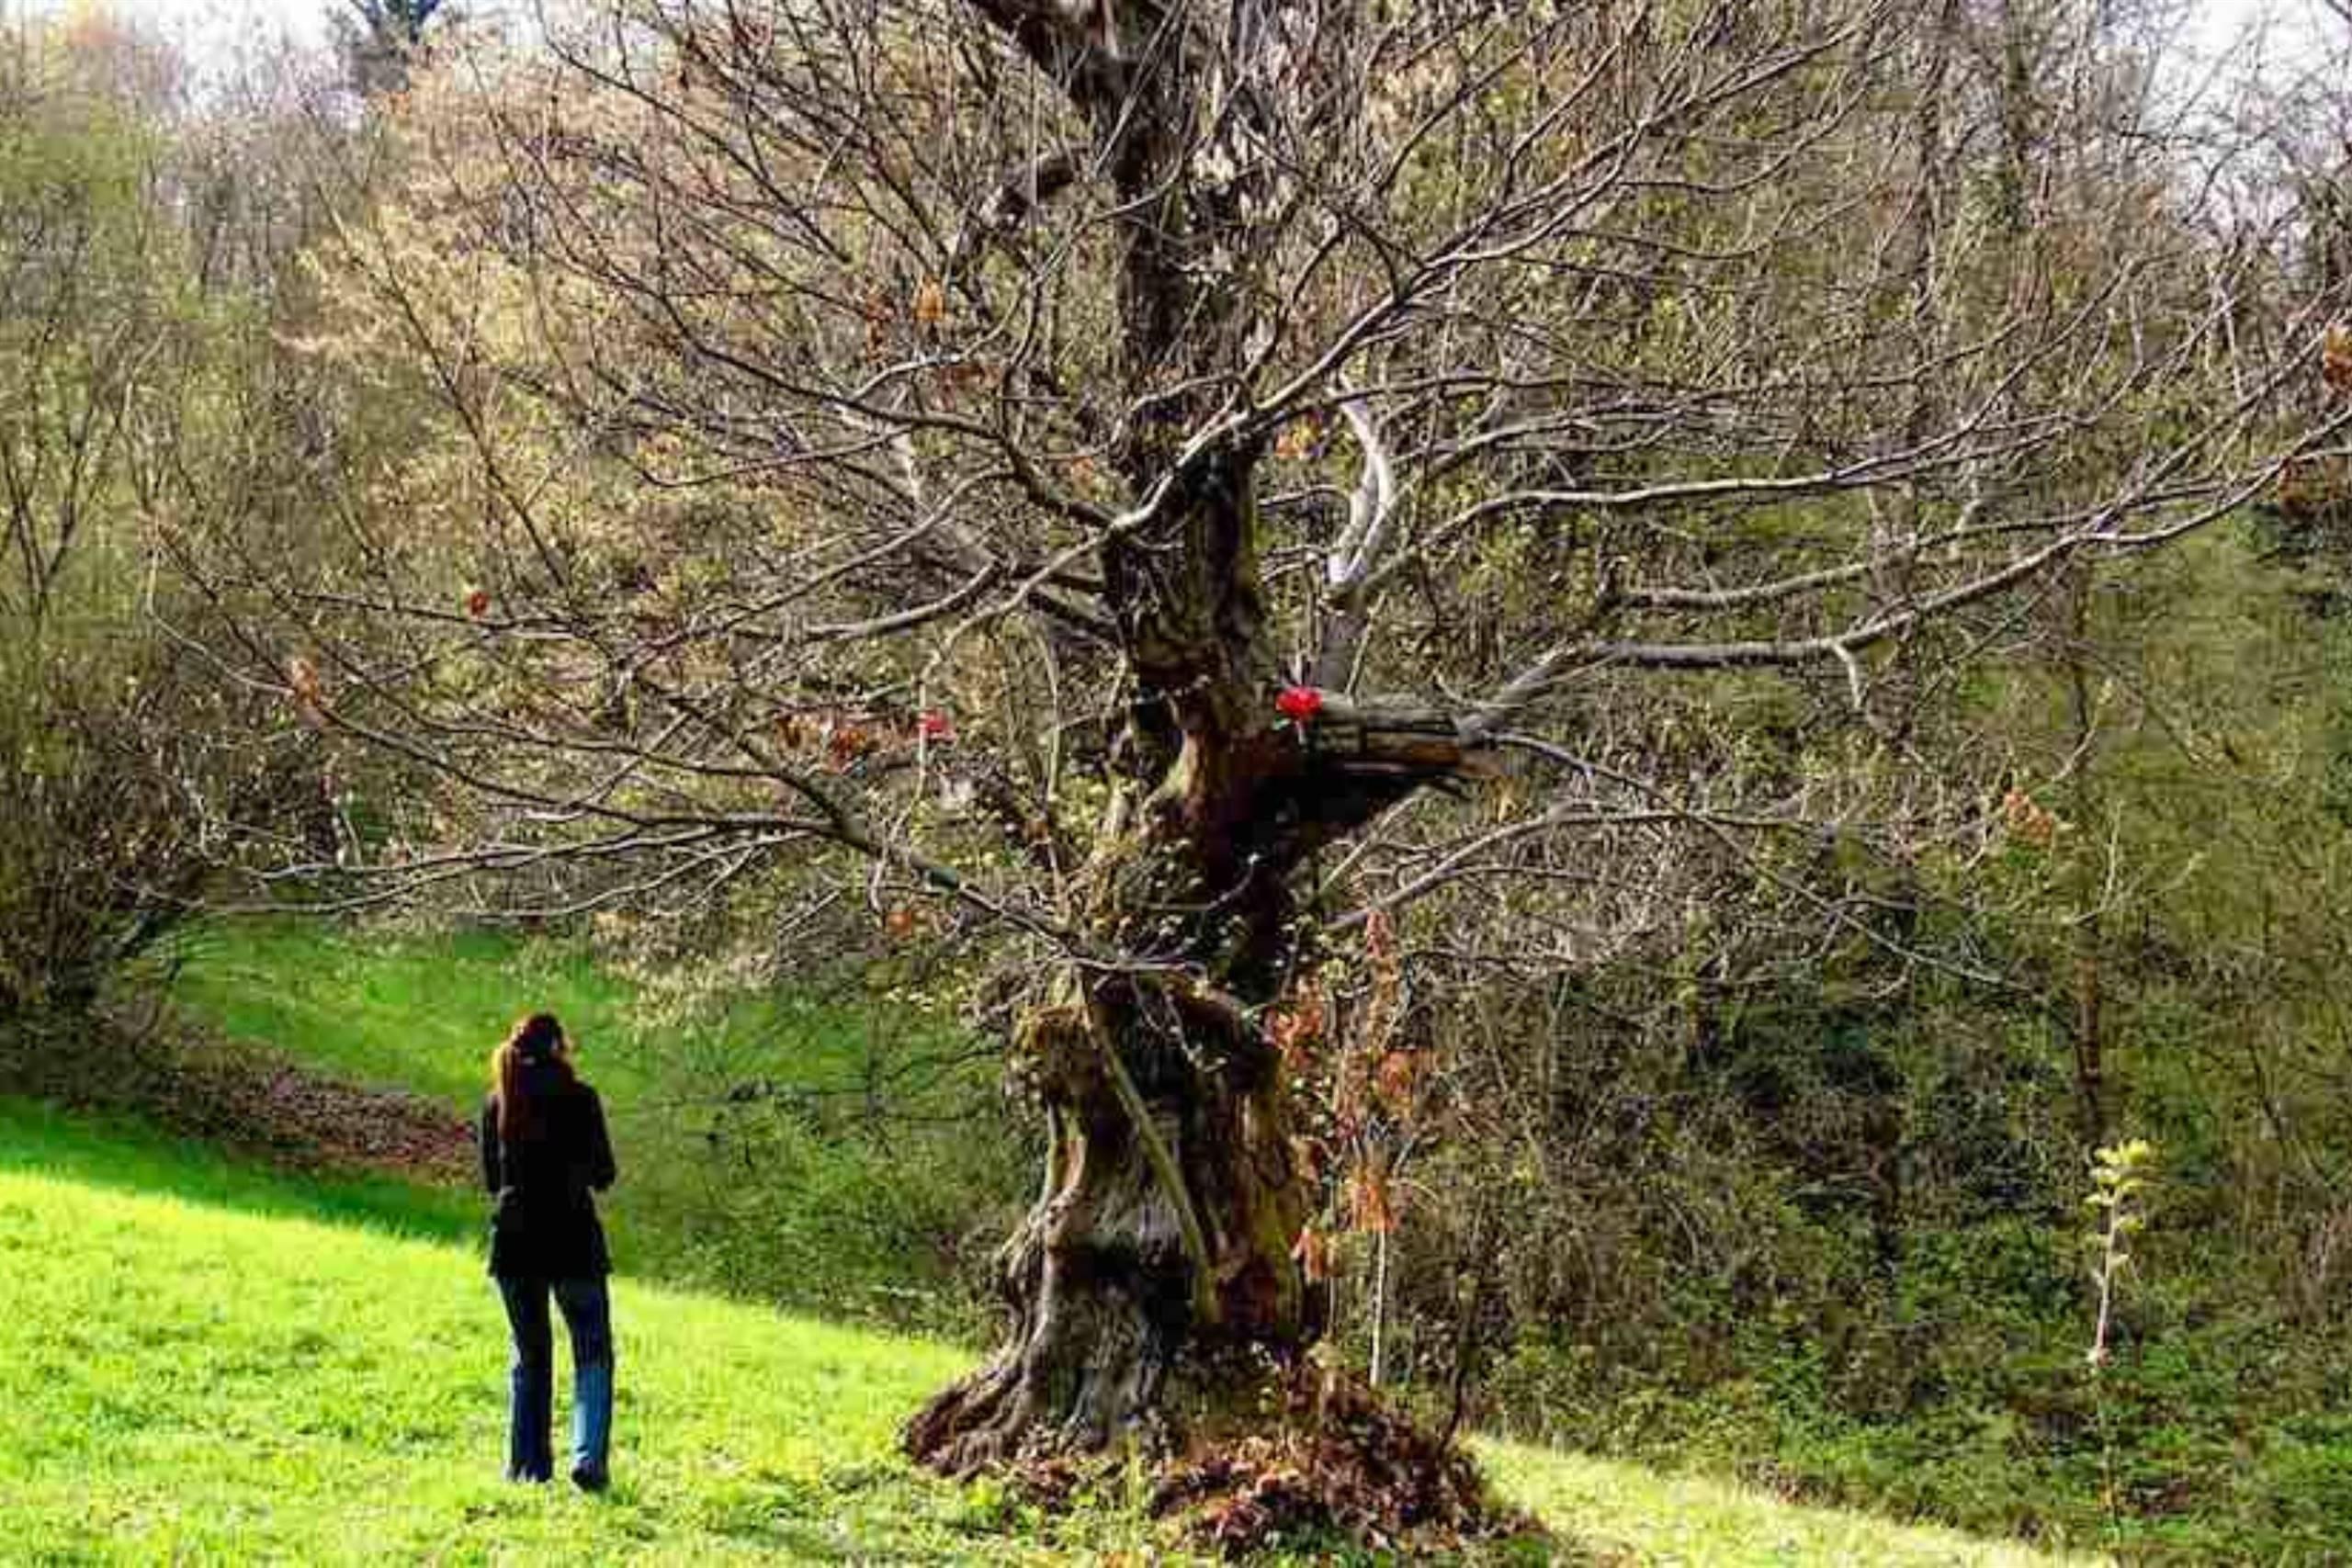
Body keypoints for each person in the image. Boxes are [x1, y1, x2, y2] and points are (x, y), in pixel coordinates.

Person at [480, 1011, 618, 1491]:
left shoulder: (498, 1101)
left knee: (530, 1356)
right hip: (574, 1242)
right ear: (559, 1048)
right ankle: (588, 1460)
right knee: (593, 1352)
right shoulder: (582, 1100)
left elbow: (493, 1182)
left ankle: (526, 1468)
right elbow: (604, 1174)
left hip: (515, 1244)